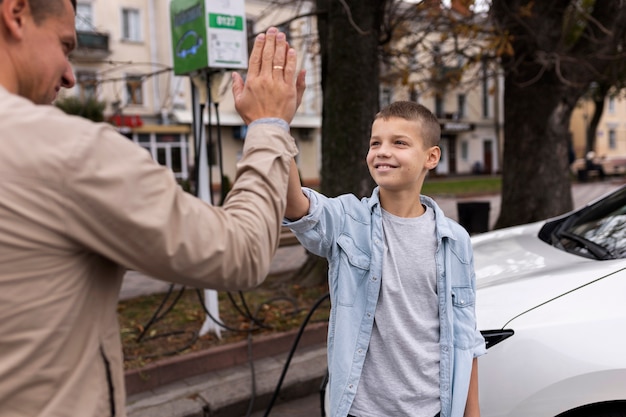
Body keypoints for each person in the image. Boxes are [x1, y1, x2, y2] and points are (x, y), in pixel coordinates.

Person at [0, 0, 305, 415]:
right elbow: (242, 252)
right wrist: (268, 125)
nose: (70, 76)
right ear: (15, 13)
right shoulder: (66, 150)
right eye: (65, 45)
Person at [284, 101, 487, 417]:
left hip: (435, 409)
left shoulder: (456, 240)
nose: (382, 151)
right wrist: (276, 127)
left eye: (399, 143)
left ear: (431, 157)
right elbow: (295, 204)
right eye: (375, 142)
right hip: (363, 410)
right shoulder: (348, 220)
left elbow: (466, 337)